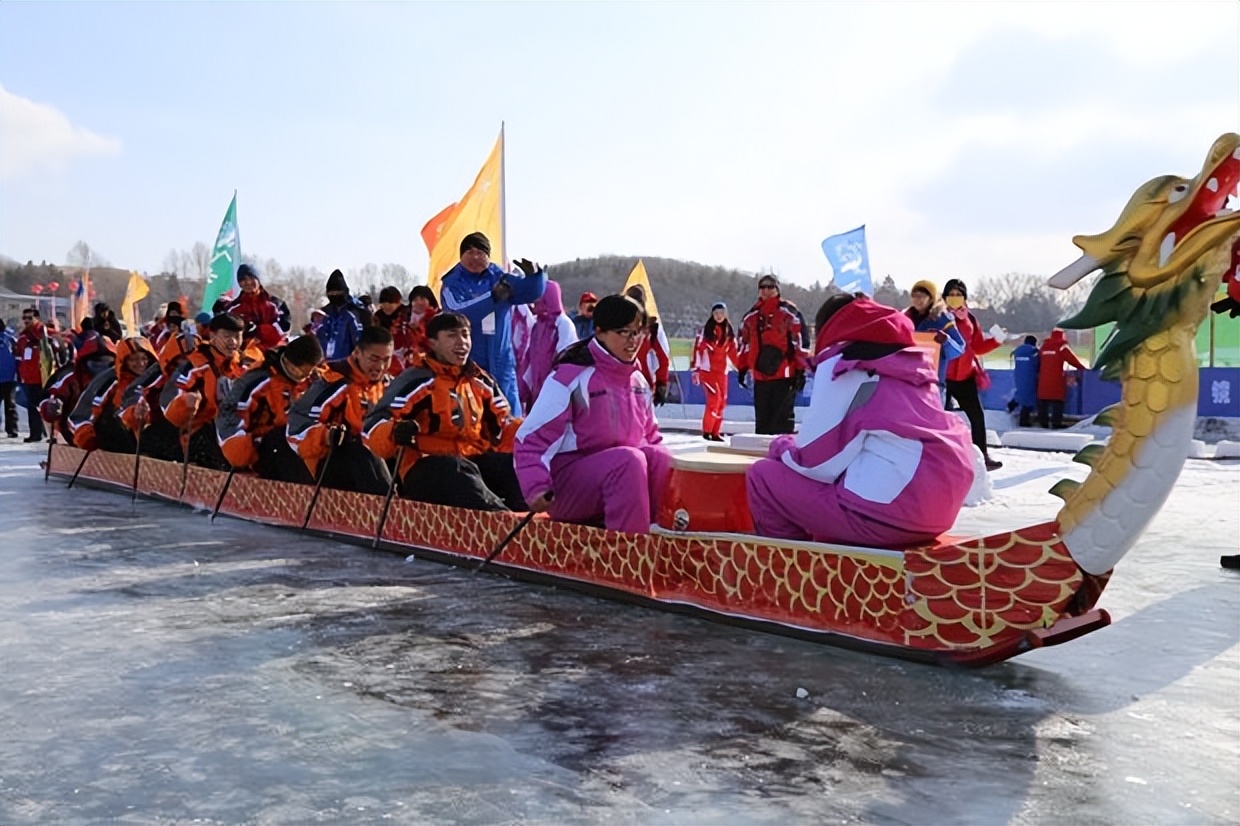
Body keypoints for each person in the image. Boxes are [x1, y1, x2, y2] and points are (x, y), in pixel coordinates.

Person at [746, 294, 975, 547]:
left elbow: (816, 461)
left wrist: (781, 446)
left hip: (885, 514)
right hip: (940, 512)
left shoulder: (844, 362)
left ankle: (787, 565)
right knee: (835, 496)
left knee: (763, 477)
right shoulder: (912, 362)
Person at [515, 294, 672, 533]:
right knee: (628, 461)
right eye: (624, 332)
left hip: (621, 480)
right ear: (599, 331)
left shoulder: (637, 380)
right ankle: (627, 546)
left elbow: (651, 437)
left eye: (638, 332)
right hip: (569, 486)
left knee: (659, 456)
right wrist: (536, 485)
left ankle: (657, 530)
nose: (633, 341)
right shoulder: (571, 376)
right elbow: (530, 438)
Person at [364, 312, 526, 511]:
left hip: (471, 462)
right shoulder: (417, 380)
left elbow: (503, 424)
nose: (462, 342)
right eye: (452, 335)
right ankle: (501, 521)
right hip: (426, 467)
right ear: (433, 343)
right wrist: (394, 431)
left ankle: (531, 517)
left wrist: (532, 431)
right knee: (454, 469)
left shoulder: (480, 380)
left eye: (465, 335)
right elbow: (373, 425)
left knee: (513, 465)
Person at [439, 231, 546, 416]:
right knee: (474, 418)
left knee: (510, 418)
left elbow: (529, 294)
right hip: (469, 363)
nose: (475, 257)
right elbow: (458, 312)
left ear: (488, 256)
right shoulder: (452, 284)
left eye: (480, 252)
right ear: (461, 256)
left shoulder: (499, 277)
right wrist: (493, 298)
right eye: (469, 252)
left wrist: (535, 278)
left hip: (502, 363)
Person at [286, 325, 394, 495]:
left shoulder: (388, 386)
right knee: (362, 449)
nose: (380, 366)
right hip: (331, 462)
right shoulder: (333, 382)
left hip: (374, 463)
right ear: (357, 352)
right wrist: (326, 435)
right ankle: (387, 504)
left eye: (386, 360)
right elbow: (296, 425)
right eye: (374, 359)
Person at [217, 333, 324, 481]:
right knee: (285, 440)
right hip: (262, 447)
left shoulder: (313, 382)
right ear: (288, 362)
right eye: (301, 372)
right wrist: (240, 453)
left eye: (309, 372)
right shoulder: (259, 379)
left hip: (297, 441)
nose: (304, 377)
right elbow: (231, 412)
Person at [160, 313, 252, 470]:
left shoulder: (245, 366)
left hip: (237, 430)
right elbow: (168, 401)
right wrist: (185, 403)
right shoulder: (196, 364)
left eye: (237, 336)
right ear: (213, 335)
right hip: (201, 432)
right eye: (227, 336)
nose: (233, 342)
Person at [941, 278, 1003, 471]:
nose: (955, 297)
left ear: (965, 297)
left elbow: (976, 347)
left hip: (965, 376)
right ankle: (936, 458)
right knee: (938, 418)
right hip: (943, 376)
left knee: (977, 417)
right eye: (951, 294)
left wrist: (996, 341)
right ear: (944, 297)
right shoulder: (939, 317)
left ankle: (982, 457)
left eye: (959, 294)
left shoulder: (971, 320)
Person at [736, 275, 809, 435]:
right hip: (760, 376)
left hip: (784, 375)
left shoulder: (789, 313)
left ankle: (781, 449)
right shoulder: (751, 316)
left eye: (771, 287)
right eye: (763, 287)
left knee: (782, 421)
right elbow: (743, 343)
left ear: (777, 290)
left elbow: (801, 342)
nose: (766, 290)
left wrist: (801, 369)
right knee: (762, 422)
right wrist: (742, 368)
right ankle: (762, 450)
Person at [69, 337, 158, 454]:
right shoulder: (110, 379)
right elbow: (82, 413)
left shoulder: (156, 378)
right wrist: (86, 436)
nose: (141, 364)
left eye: (144, 358)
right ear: (123, 361)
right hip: (115, 442)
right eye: (133, 359)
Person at [39, 333, 115, 443]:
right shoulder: (73, 379)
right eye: (95, 363)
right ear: (84, 363)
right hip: (74, 433)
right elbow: (54, 395)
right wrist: (51, 406)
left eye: (106, 363)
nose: (100, 368)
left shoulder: (119, 380)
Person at [517, 280, 577, 413]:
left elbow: (566, 358)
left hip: (555, 392)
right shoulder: (537, 325)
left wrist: (554, 388)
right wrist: (523, 387)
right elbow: (530, 360)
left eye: (538, 296)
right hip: (537, 393)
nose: (534, 301)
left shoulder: (563, 324)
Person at [903, 280, 965, 401]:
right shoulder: (905, 318)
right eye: (914, 296)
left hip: (933, 384)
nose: (917, 299)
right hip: (908, 381)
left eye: (922, 296)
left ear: (931, 297)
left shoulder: (942, 319)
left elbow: (959, 349)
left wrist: (946, 341)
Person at [691, 302, 740, 441]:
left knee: (722, 401)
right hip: (708, 371)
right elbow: (697, 351)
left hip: (722, 372)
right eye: (716, 313)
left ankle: (715, 432)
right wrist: (695, 370)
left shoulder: (729, 333)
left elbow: (733, 353)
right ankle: (707, 431)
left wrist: (742, 368)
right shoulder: (706, 332)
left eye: (721, 313)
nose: (719, 316)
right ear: (712, 315)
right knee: (714, 399)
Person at [623, 284, 671, 407]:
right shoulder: (617, 326)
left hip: (644, 385)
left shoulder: (653, 328)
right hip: (621, 384)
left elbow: (663, 357)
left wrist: (661, 383)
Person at [224, 264, 290, 350]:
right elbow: (228, 332)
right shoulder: (234, 308)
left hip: (274, 349)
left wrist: (259, 330)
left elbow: (284, 327)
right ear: (239, 284)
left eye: (251, 278)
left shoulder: (276, 304)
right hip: (246, 351)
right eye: (243, 280)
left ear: (258, 280)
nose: (248, 282)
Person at [315, 269, 372, 360]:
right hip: (327, 362)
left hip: (351, 361)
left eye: (337, 292)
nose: (334, 295)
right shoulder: (325, 312)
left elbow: (364, 338)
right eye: (331, 293)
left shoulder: (358, 311)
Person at [15, 307, 51, 442]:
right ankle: (37, 432)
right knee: (33, 406)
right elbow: (19, 354)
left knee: (39, 406)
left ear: (37, 318)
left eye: (30, 318)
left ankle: (40, 433)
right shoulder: (23, 336)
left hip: (42, 376)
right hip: (29, 377)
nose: (26, 321)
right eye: (24, 318)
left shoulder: (43, 333)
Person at [1037, 328, 1086, 429]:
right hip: (1056, 378)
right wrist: (1082, 368)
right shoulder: (1061, 347)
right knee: (1057, 402)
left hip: (1043, 379)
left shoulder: (1044, 347)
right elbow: (1072, 360)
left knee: (1043, 401)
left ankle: (1043, 423)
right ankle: (1056, 423)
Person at [1011, 335, 1040, 427]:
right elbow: (1039, 363)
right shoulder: (1034, 351)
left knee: (1021, 393)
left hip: (1018, 375)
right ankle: (1023, 421)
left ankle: (1011, 406)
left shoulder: (1018, 350)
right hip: (1031, 376)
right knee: (1029, 399)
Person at [405, 285, 439, 361]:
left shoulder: (438, 318)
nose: (419, 302)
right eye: (415, 300)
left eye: (422, 299)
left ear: (430, 300)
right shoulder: (404, 319)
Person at [0, 318, 18, 438]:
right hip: (10, 377)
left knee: (9, 404)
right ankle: (12, 429)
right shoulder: (10, 338)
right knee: (10, 404)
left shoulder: (10, 338)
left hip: (6, 376)